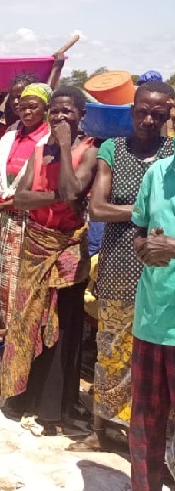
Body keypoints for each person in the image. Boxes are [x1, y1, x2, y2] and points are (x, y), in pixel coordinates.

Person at [67, 82, 175, 451]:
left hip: (164, 271)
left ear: (167, 116)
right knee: (111, 349)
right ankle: (100, 430)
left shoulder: (172, 154)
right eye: (142, 111)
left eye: (157, 115)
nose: (148, 119)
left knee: (153, 358)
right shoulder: (113, 149)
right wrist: (147, 210)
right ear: (131, 111)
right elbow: (97, 208)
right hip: (119, 264)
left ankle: (142, 435)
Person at [98, 81, 175, 491]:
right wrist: (145, 247)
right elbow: (141, 233)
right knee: (145, 420)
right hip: (152, 316)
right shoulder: (158, 174)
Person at [1, 86, 94, 435]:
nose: (59, 118)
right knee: (27, 319)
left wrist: (67, 144)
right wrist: (55, 197)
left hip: (68, 249)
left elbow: (75, 192)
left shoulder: (89, 151)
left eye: (68, 112)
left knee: (63, 325)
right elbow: (21, 198)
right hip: (35, 245)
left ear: (81, 115)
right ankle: (20, 394)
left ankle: (55, 404)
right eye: (55, 111)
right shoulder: (40, 151)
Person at [0, 83, 52, 332]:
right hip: (0, 216)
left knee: (15, 281)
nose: (26, 112)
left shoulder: (48, 139)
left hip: (27, 220)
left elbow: (39, 185)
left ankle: (13, 336)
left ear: (45, 109)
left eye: (33, 107)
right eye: (22, 106)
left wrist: (4, 205)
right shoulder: (11, 134)